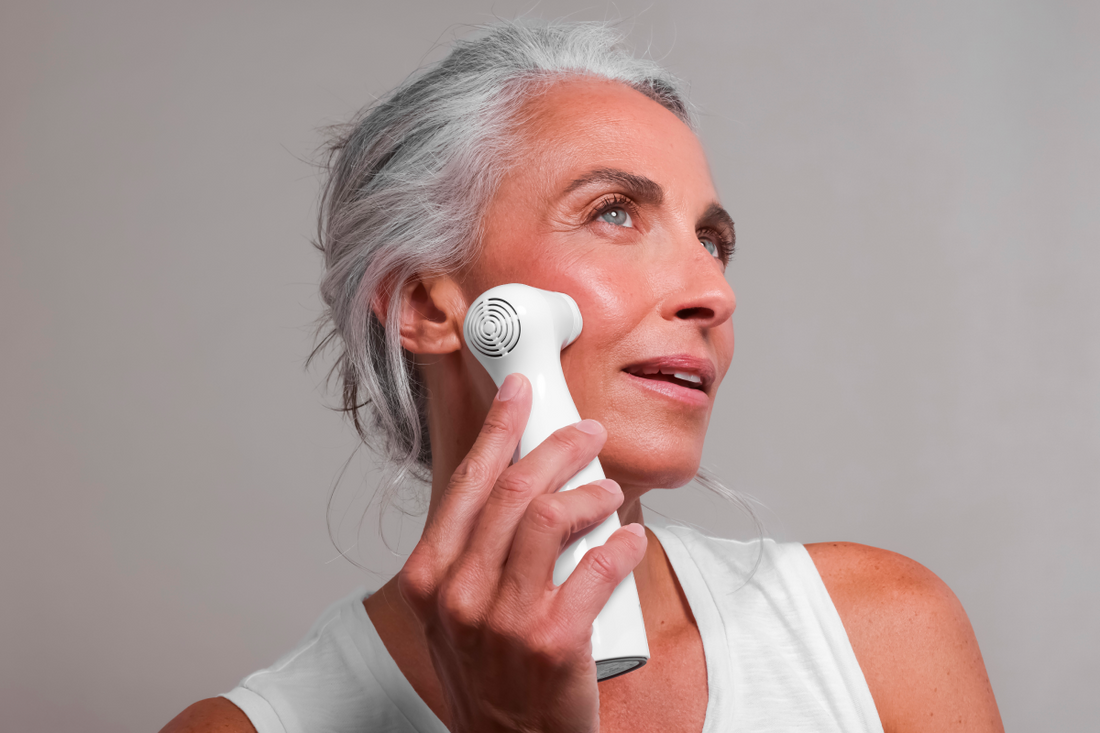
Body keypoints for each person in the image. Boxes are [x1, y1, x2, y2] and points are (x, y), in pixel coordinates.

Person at [160, 20, 1003, 733]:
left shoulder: (883, 632)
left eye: (713, 240)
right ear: (426, 306)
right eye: (613, 213)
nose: (713, 291)